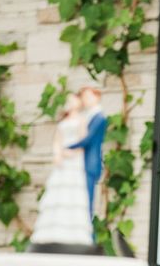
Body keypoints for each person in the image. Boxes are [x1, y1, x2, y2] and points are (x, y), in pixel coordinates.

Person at [30, 93, 93, 246]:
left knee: (72, 194)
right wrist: (58, 153)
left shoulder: (82, 120)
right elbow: (57, 140)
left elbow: (83, 141)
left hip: (74, 159)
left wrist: (71, 152)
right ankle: (53, 231)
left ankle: (73, 233)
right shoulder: (64, 121)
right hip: (62, 161)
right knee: (58, 193)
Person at [67, 86, 107, 220]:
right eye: (84, 98)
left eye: (88, 97)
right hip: (82, 164)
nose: (86, 101)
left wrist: (68, 147)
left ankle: (89, 236)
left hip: (91, 163)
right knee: (81, 202)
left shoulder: (99, 117)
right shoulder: (88, 116)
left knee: (87, 201)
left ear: (97, 97)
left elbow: (88, 139)